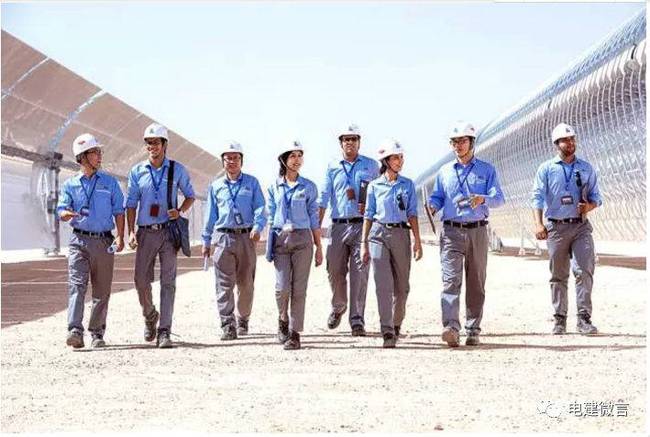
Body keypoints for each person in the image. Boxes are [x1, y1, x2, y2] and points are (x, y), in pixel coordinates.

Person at [428, 121, 505, 347]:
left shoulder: (487, 170)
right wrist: (432, 206)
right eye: (454, 142)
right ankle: (451, 327)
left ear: (472, 142)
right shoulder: (445, 172)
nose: (458, 145)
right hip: (451, 231)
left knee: (476, 282)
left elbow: (499, 199)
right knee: (450, 280)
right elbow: (438, 196)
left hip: (477, 231)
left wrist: (483, 199)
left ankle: (473, 329)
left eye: (462, 141)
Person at [126, 123, 195, 348]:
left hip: (168, 233)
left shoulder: (177, 170)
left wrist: (180, 210)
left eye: (155, 142)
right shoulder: (137, 172)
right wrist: (130, 232)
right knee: (140, 280)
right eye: (148, 143)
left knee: (168, 282)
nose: (151, 147)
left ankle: (164, 331)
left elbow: (190, 196)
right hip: (146, 233)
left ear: (165, 144)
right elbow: (131, 204)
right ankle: (150, 314)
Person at [531, 123, 602, 335]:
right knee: (558, 275)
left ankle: (584, 319)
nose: (570, 143)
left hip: (580, 226)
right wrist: (538, 223)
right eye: (565, 140)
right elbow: (537, 197)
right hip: (556, 227)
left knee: (584, 270)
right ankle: (559, 319)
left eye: (572, 139)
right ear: (556, 144)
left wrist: (589, 206)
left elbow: (597, 197)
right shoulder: (546, 169)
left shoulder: (586, 168)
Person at [57, 133, 125, 349]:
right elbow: (61, 209)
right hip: (78, 241)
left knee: (102, 290)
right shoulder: (70, 185)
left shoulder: (110, 183)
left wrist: (121, 236)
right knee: (77, 286)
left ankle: (97, 333)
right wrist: (65, 214)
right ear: (83, 157)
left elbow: (119, 211)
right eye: (95, 152)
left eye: (99, 152)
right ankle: (75, 331)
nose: (99, 156)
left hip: (104, 242)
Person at [360, 139, 423, 348]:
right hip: (378, 235)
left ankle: (396, 324)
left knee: (402, 288)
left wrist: (417, 241)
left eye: (401, 157)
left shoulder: (408, 185)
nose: (400, 161)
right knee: (383, 285)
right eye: (395, 158)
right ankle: (386, 330)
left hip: (401, 235)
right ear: (386, 161)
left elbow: (412, 213)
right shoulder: (374, 186)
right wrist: (364, 244)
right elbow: (368, 215)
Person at [318, 124, 379, 336]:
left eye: (354, 139)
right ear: (341, 143)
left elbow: (380, 192)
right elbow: (324, 196)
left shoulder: (371, 166)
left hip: (362, 226)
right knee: (334, 270)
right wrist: (315, 227)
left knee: (360, 274)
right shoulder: (332, 166)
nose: (350, 143)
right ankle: (339, 306)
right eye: (346, 139)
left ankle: (357, 320)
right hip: (337, 226)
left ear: (359, 142)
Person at [202, 141, 267, 341]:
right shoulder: (216, 186)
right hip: (223, 238)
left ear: (241, 161)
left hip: (246, 237)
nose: (232, 161)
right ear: (222, 161)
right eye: (228, 158)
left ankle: (243, 318)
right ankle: (227, 324)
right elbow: (210, 215)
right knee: (224, 284)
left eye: (235, 158)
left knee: (246, 284)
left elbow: (260, 207)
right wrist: (206, 240)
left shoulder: (252, 183)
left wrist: (258, 227)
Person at [266, 140, 323, 350]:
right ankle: (283, 318)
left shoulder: (309, 187)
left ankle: (294, 333)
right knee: (282, 288)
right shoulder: (273, 187)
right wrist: (269, 245)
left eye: (300, 155)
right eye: (292, 156)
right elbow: (271, 217)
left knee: (299, 288)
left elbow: (314, 218)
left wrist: (319, 247)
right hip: (281, 240)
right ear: (283, 159)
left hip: (302, 240)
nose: (297, 160)